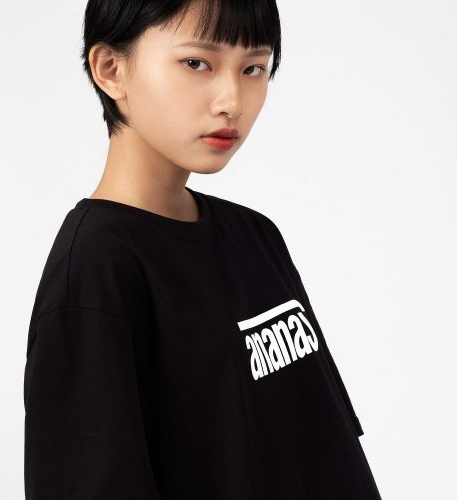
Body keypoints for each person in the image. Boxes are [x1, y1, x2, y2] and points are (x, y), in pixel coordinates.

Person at [23, 1, 383, 499]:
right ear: (111, 69)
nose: (232, 101)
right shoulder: (96, 270)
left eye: (253, 68)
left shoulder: (255, 235)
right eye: (197, 63)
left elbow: (327, 442)